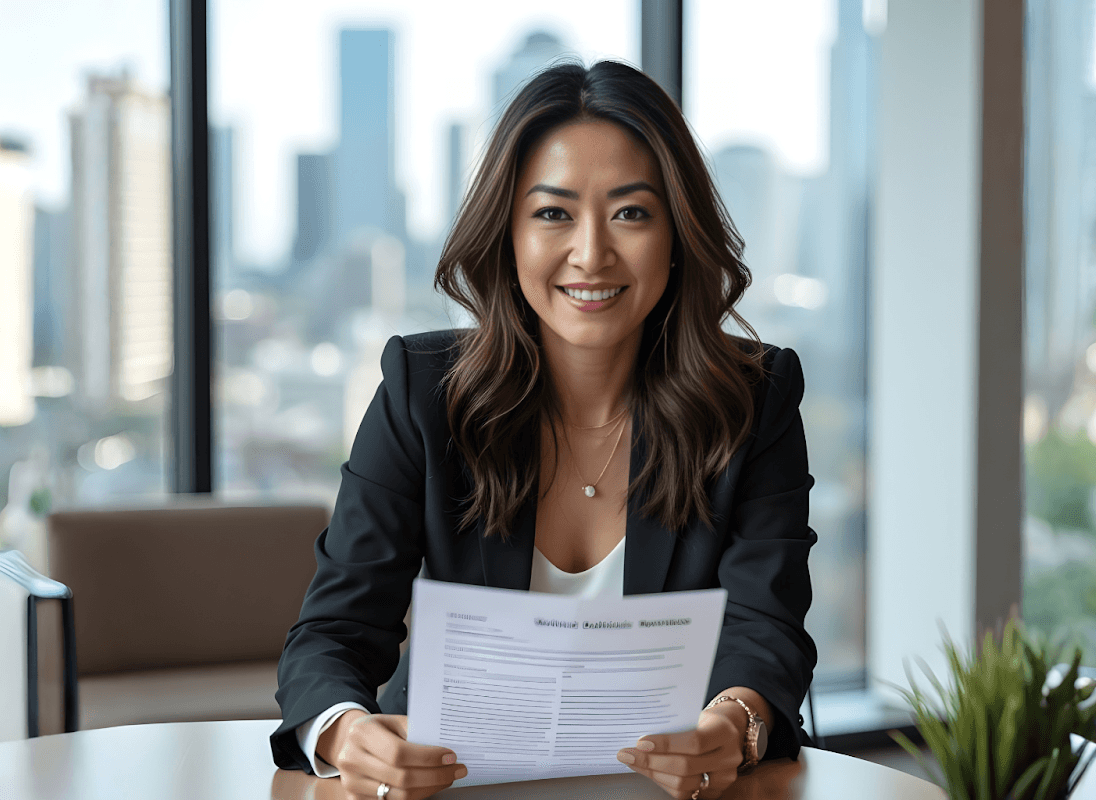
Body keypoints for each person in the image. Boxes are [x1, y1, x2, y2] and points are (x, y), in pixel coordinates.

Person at [270, 59, 817, 800]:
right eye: (553, 213)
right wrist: (346, 731)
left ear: (678, 233)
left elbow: (767, 627)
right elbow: (332, 633)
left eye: (631, 212)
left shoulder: (754, 400)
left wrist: (733, 721)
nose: (590, 253)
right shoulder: (422, 392)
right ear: (508, 233)